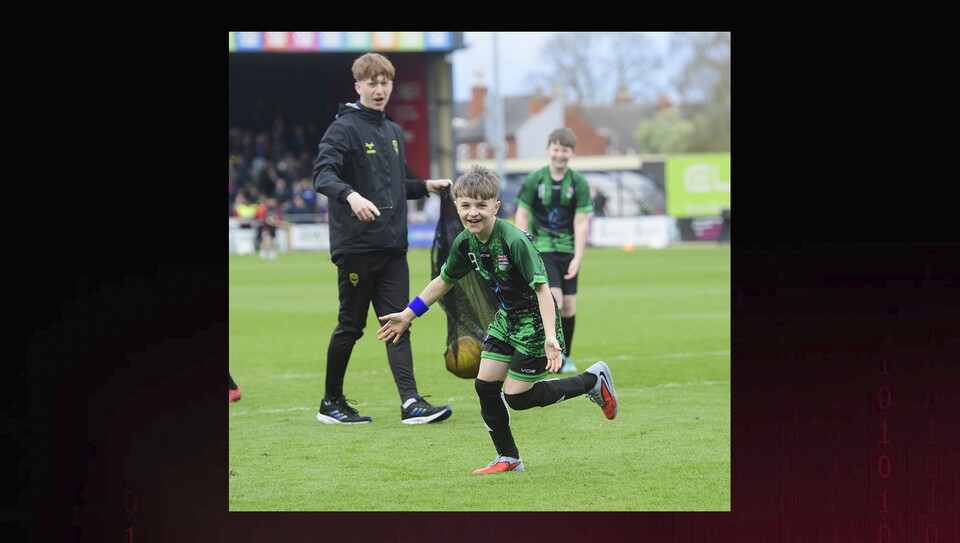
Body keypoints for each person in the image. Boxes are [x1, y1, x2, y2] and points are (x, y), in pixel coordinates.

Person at [377, 165, 618, 473]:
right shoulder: (465, 243)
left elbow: (543, 291)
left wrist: (551, 337)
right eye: (465, 206)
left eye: (481, 206)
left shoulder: (514, 240)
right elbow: (444, 280)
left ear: (496, 207)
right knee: (485, 386)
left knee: (517, 398)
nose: (472, 213)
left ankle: (591, 381)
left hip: (534, 323)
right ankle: (508, 457)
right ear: (457, 206)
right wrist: (408, 315)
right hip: (506, 319)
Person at [312, 52, 453, 425]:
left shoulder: (391, 131)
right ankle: (331, 403)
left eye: (385, 82)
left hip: (393, 247)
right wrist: (351, 195)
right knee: (352, 326)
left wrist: (427, 186)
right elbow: (322, 175)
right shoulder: (342, 128)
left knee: (399, 321)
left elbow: (399, 184)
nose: (379, 89)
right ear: (358, 86)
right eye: (372, 83)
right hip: (357, 247)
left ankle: (410, 403)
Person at [514, 128, 593, 373]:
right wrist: (524, 247)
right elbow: (523, 214)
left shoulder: (578, 183)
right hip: (543, 249)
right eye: (556, 149)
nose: (560, 154)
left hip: (568, 250)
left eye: (565, 150)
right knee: (554, 300)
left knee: (569, 305)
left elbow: (581, 222)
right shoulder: (534, 180)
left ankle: (565, 356)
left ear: (572, 152)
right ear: (548, 150)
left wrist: (578, 256)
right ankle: (544, 355)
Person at [254, 196, 285, 261]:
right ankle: (262, 254)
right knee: (265, 240)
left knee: (272, 241)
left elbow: (278, 218)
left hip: (273, 228)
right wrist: (266, 221)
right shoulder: (265, 209)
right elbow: (261, 218)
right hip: (266, 227)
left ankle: (272, 255)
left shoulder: (276, 209)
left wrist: (277, 223)